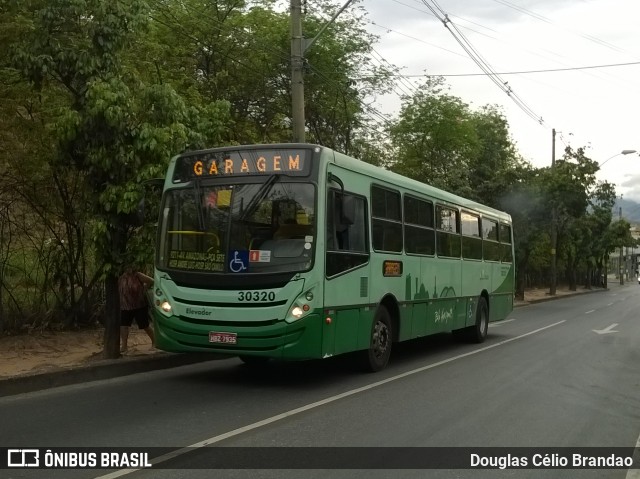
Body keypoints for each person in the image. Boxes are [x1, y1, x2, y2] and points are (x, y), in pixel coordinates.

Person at [118, 267, 155, 354]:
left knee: (145, 325)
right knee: (124, 325)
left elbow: (151, 281)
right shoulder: (120, 276)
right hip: (125, 305)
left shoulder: (138, 275)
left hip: (139, 305)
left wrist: (144, 289)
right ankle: (124, 346)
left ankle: (154, 341)